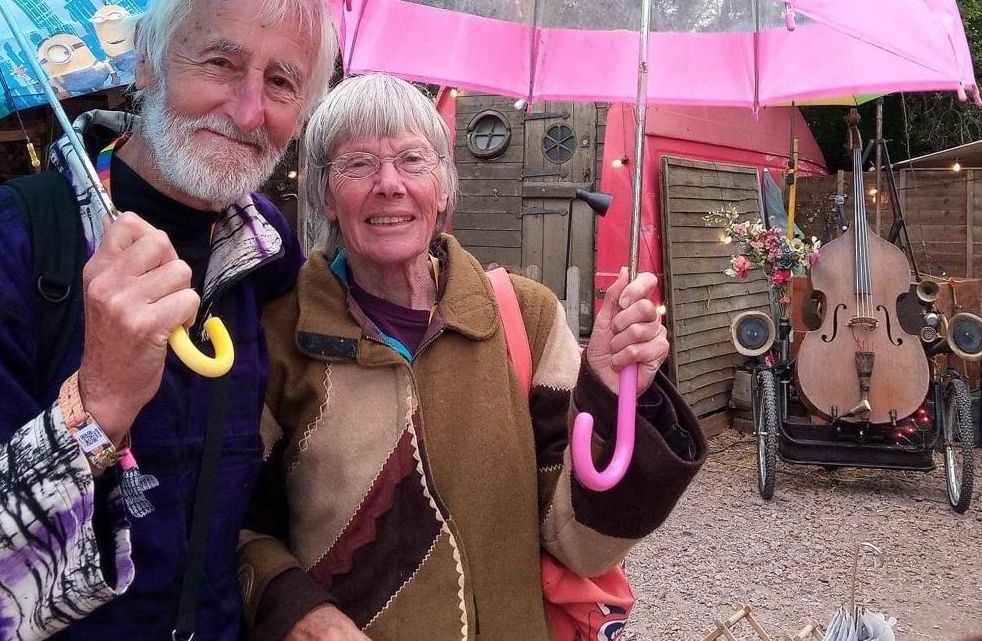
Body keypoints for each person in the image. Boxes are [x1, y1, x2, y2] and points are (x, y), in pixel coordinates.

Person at [0, 0, 338, 641]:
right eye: (220, 62)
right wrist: (94, 406)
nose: (250, 111)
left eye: (282, 83)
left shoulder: (263, 256)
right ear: (147, 62)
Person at [239, 74, 708, 640]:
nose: (390, 185)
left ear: (444, 187)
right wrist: (296, 610)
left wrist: (610, 392)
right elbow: (234, 523)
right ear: (323, 194)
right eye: (358, 164)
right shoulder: (280, 335)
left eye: (413, 160)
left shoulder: (525, 319)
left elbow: (580, 544)